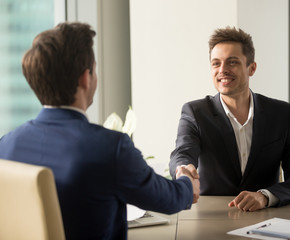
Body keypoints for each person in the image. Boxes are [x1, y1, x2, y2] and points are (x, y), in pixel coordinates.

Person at [0, 22, 199, 240]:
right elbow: (168, 199)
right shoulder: (109, 147)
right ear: (85, 78)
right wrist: (187, 183)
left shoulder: (6, 146)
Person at [169, 26, 290, 212]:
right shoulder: (195, 112)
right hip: (212, 219)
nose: (222, 70)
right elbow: (183, 151)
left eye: (232, 62)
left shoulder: (280, 114)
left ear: (251, 68)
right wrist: (183, 170)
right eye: (216, 63)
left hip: (265, 222)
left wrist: (265, 196)